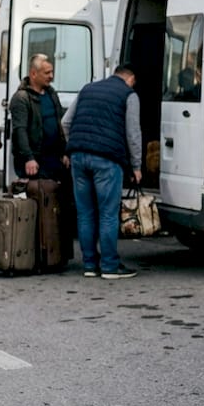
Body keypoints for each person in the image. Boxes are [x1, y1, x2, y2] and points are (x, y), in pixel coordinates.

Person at [63, 66, 141, 279]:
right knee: (107, 213)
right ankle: (109, 266)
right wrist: (136, 166)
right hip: (107, 159)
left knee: (86, 213)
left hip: (78, 157)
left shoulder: (87, 89)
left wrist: (74, 145)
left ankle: (89, 265)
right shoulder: (129, 95)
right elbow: (133, 132)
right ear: (130, 78)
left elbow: (65, 122)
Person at [9, 54, 68, 181]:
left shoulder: (51, 93)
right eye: (47, 73)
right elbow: (20, 130)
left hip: (54, 159)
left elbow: (60, 123)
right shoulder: (22, 98)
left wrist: (65, 152)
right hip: (35, 161)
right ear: (33, 74)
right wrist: (28, 158)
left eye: (52, 72)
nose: (51, 76)